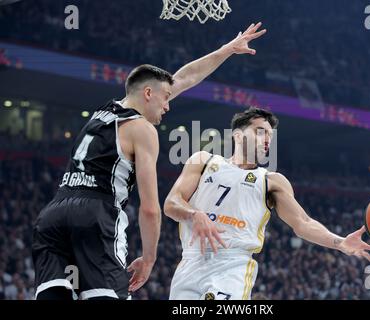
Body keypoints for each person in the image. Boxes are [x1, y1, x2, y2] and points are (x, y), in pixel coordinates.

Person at [32, 22, 267, 300]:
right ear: (147, 94)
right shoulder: (142, 128)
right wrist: (150, 258)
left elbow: (184, 79)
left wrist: (226, 50)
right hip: (95, 215)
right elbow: (151, 208)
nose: (168, 105)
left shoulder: (104, 112)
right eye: (165, 98)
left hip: (53, 215)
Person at [164, 107, 370, 300]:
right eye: (260, 132)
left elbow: (303, 223)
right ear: (238, 136)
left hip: (232, 266)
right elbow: (172, 203)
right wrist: (194, 214)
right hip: (190, 262)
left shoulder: (271, 181)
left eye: (270, 135)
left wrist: (340, 243)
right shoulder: (203, 161)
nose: (267, 139)